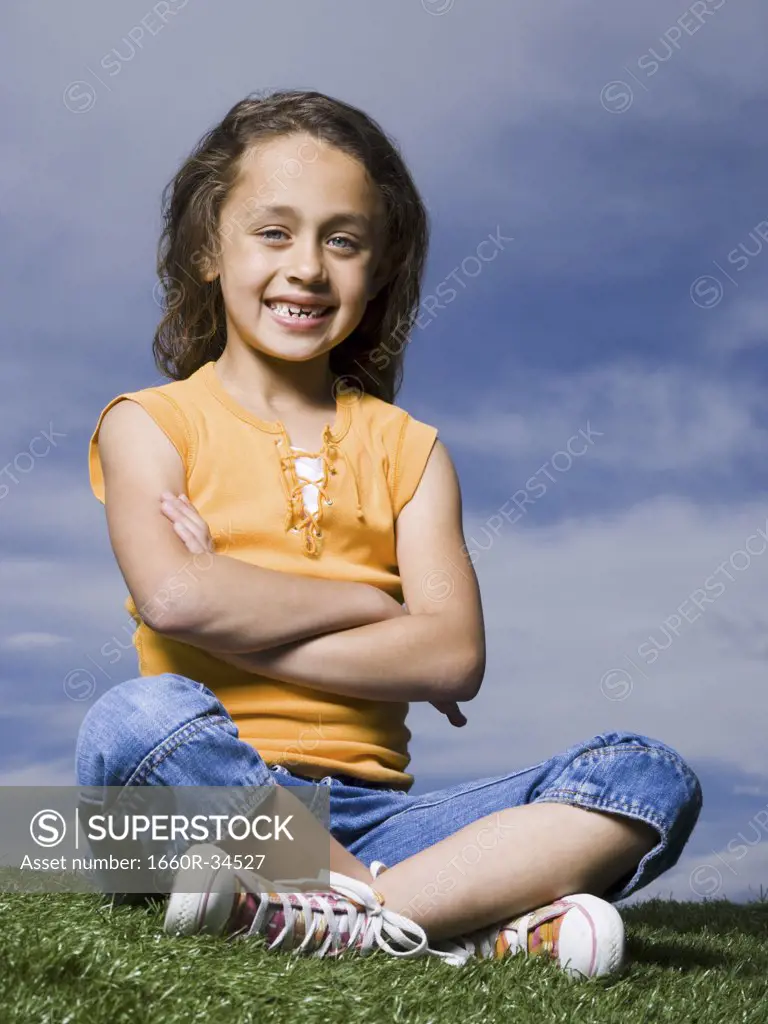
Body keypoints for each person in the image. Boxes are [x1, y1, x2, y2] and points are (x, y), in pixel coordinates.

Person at [76, 89, 702, 978]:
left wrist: (238, 607)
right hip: (207, 792)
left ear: (377, 271)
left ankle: (341, 914)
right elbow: (176, 597)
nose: (307, 267)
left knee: (646, 775)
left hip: (382, 818)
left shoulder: (412, 451)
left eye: (342, 240)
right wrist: (369, 605)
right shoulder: (148, 423)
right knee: (137, 716)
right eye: (273, 232)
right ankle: (456, 917)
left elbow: (450, 659)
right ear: (209, 249)